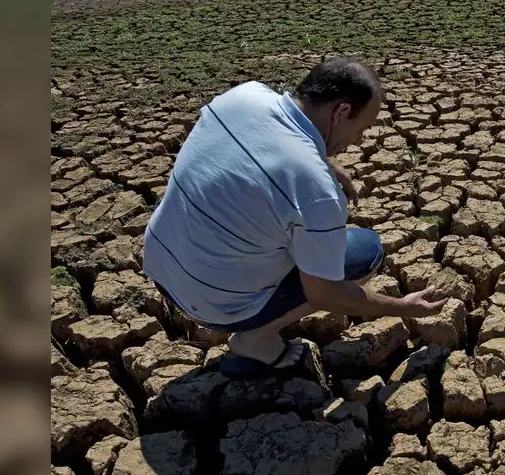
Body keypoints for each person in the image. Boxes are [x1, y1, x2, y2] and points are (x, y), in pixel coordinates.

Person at [141, 57, 447, 377]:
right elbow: (325, 294)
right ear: (341, 112)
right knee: (364, 250)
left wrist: (322, 160)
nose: (359, 141)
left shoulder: (243, 96)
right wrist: (402, 307)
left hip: (162, 266)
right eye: (363, 128)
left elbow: (259, 146)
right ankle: (256, 339)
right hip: (213, 305)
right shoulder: (315, 188)